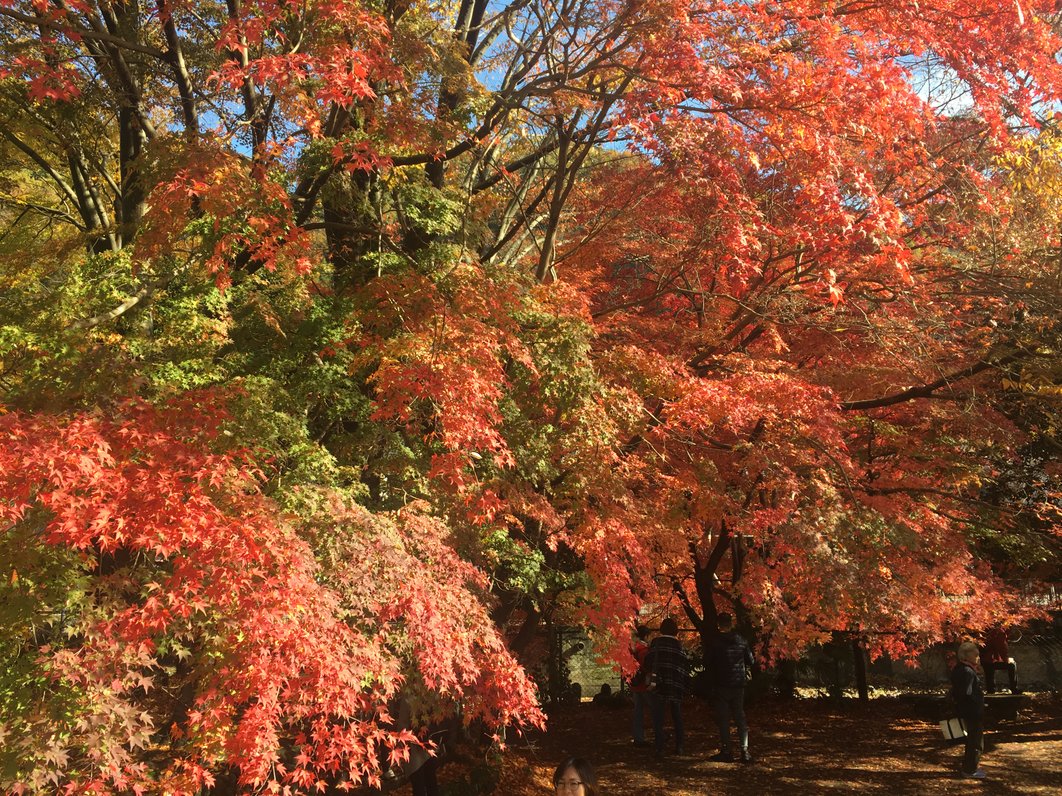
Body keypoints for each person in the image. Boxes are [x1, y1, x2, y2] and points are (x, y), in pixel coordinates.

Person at [708, 612, 755, 764]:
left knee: (723, 719)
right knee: (740, 717)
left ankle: (727, 750)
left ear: (718, 624)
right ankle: (744, 750)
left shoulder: (715, 642)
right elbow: (751, 660)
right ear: (731, 623)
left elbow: (708, 662)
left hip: (721, 683)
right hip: (738, 683)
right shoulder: (741, 641)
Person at [645, 617, 690, 757]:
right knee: (677, 716)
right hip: (675, 684)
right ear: (676, 630)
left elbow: (648, 661)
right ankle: (680, 746)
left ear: (661, 629)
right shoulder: (679, 646)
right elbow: (684, 666)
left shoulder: (656, 643)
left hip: (659, 684)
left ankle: (659, 748)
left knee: (658, 717)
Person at [950, 640, 986, 779]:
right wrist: (978, 702)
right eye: (975, 654)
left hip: (966, 710)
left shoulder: (959, 669)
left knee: (972, 740)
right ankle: (970, 770)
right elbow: (966, 693)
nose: (978, 657)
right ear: (965, 656)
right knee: (975, 741)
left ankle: (969, 767)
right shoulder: (967, 672)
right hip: (972, 712)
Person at [980, 625, 1020, 694]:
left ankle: (991, 689)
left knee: (989, 671)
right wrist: (1007, 660)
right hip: (990, 660)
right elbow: (1002, 649)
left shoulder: (993, 631)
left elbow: (993, 647)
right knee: (1012, 665)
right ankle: (1014, 688)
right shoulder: (1001, 633)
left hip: (984, 659)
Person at [629, 624, 651, 747]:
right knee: (655, 709)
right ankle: (659, 735)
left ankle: (638, 738)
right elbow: (646, 667)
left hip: (634, 684)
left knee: (638, 712)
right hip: (644, 684)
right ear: (646, 636)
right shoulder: (644, 650)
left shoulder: (632, 649)